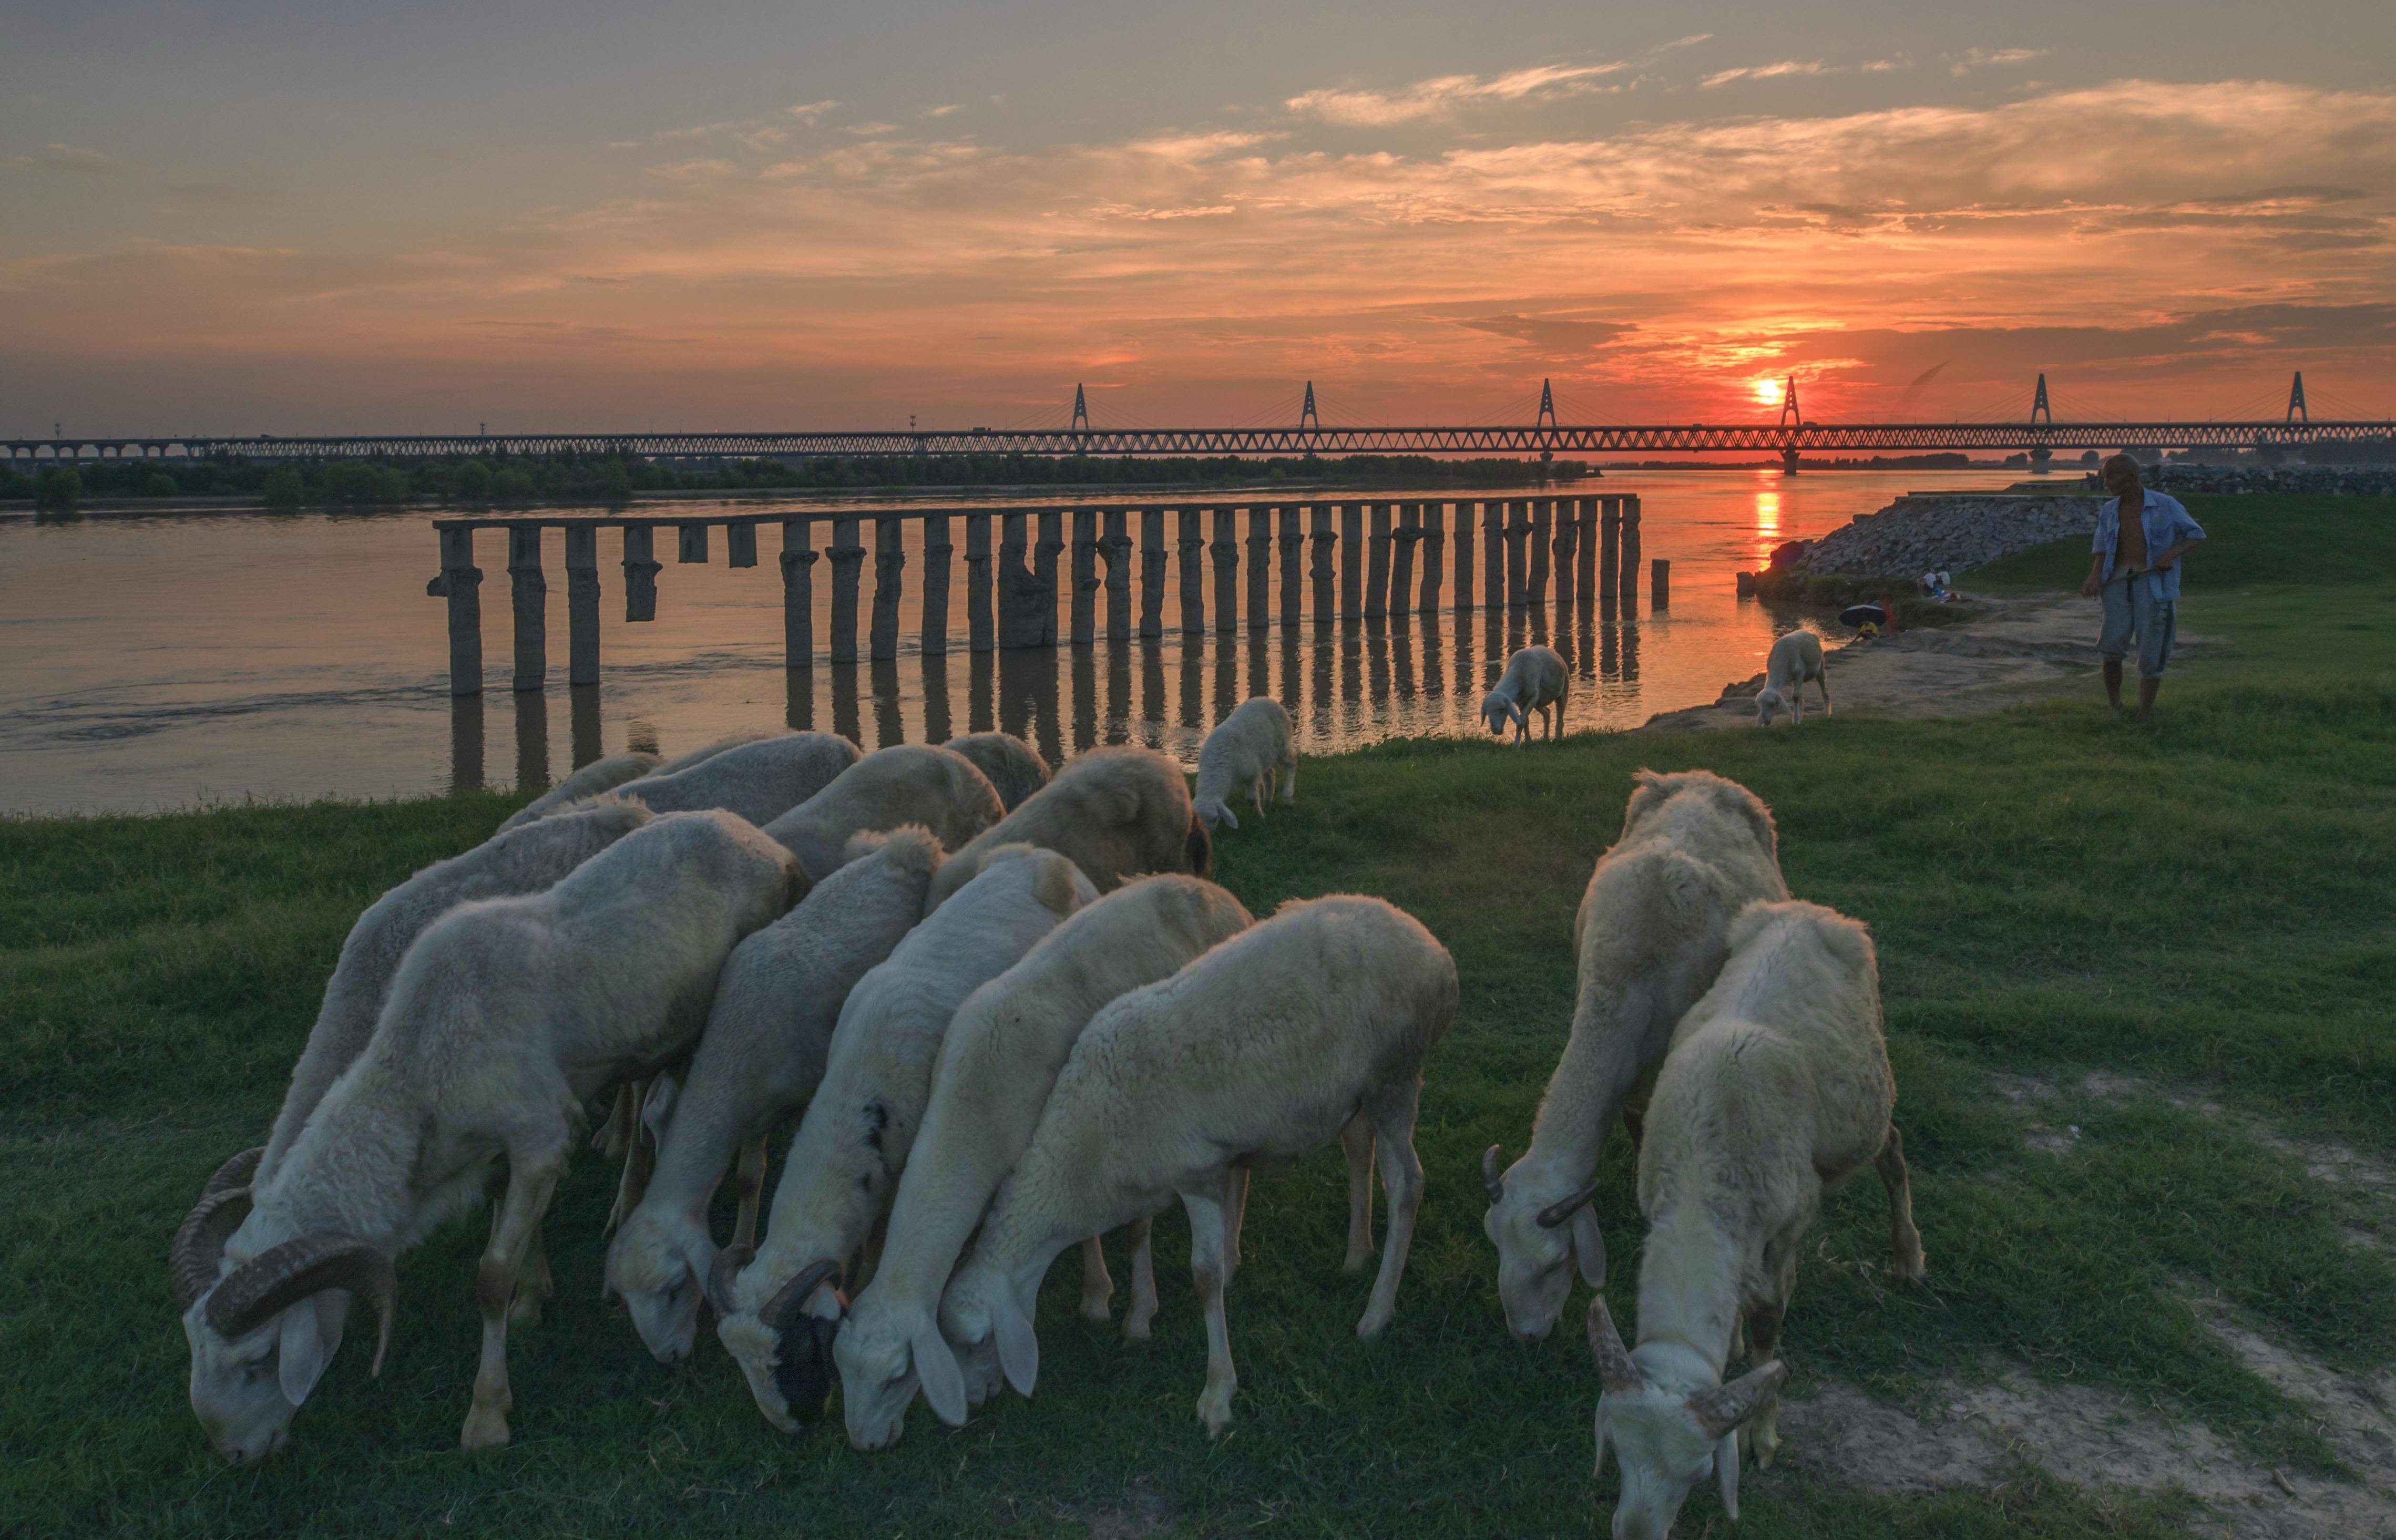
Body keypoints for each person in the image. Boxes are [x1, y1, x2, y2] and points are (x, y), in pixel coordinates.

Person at [2081, 455, 2205, 721]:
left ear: (2132, 477)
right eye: (2105, 477)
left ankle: (2144, 714)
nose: (2107, 482)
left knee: (2152, 651)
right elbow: (2102, 550)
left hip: (2153, 585)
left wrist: (2171, 554)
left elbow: (2196, 535)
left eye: (2111, 477)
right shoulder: (2109, 511)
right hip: (2117, 582)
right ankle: (2115, 705)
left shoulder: (2166, 505)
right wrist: (2094, 577)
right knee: (2111, 647)